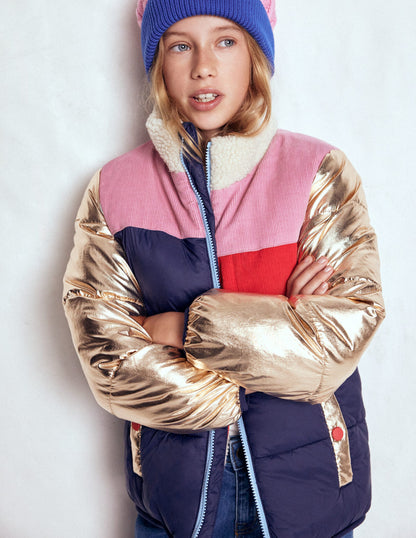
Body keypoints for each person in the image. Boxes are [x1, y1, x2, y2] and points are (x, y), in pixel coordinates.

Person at [62, 0, 385, 536]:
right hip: (176, 496)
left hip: (310, 491)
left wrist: (181, 328)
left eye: (226, 41)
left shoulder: (317, 172)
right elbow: (107, 358)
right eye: (180, 46)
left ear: (255, 55)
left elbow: (339, 338)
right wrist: (278, 329)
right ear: (158, 63)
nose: (203, 66)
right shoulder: (115, 189)